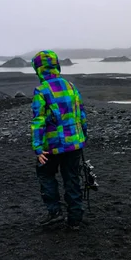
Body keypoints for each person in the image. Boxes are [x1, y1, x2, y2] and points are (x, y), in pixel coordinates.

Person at [30, 50, 87, 230]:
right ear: (57, 66)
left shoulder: (41, 91)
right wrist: (82, 135)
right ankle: (75, 219)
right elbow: (81, 115)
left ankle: (55, 212)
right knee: (72, 178)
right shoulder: (71, 87)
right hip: (74, 143)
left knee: (45, 174)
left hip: (52, 146)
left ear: (39, 70)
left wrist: (38, 147)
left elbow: (38, 121)